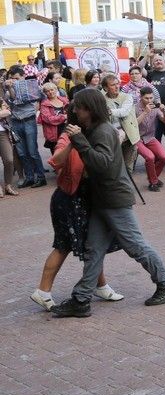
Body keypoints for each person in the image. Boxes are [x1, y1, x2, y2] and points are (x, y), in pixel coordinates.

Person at [50, 89, 165, 318]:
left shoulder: (103, 131)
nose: (75, 110)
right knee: (93, 249)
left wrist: (79, 140)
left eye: (78, 107)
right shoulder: (93, 129)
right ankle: (81, 299)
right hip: (103, 199)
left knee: (135, 245)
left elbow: (102, 164)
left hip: (114, 198)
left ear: (89, 109)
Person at [30, 114, 124, 310]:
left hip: (88, 198)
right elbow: (55, 161)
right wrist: (73, 143)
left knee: (94, 244)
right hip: (68, 199)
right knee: (63, 246)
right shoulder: (67, 136)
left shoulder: (98, 135)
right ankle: (42, 291)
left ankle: (100, 285)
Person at [3, 66, 46, 188]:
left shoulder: (31, 86)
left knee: (32, 151)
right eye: (12, 78)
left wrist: (36, 106)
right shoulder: (7, 89)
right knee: (21, 153)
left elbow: (40, 98)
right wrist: (9, 87)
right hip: (16, 122)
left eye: (16, 78)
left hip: (28, 120)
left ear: (23, 77)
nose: (14, 81)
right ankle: (30, 177)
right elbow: (11, 100)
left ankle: (41, 177)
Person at [135, 87, 165, 192]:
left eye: (151, 98)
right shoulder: (135, 108)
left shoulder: (155, 107)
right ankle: (153, 182)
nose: (149, 101)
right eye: (146, 98)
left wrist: (164, 111)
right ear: (141, 97)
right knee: (150, 157)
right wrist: (145, 112)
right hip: (137, 138)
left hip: (150, 137)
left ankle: (152, 177)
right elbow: (133, 124)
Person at [38, 82, 69, 155]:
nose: (50, 92)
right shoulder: (44, 104)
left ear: (56, 90)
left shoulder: (65, 100)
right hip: (53, 133)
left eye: (52, 90)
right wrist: (63, 117)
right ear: (45, 93)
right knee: (56, 155)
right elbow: (48, 119)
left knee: (68, 154)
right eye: (47, 91)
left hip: (66, 130)